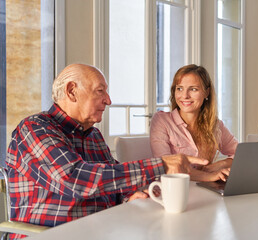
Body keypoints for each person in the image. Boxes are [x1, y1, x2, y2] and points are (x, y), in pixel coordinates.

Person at [5, 64, 207, 239]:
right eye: (100, 91)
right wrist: (162, 164)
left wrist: (130, 195)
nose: (108, 100)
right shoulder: (34, 129)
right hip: (52, 234)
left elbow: (113, 181)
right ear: (72, 91)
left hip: (100, 230)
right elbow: (76, 179)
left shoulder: (92, 136)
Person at [150, 64, 238, 182]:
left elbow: (241, 154)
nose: (185, 96)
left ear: (206, 93)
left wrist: (219, 165)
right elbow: (167, 166)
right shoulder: (162, 121)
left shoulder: (215, 125)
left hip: (205, 190)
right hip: (174, 190)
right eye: (179, 88)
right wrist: (210, 176)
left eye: (193, 89)